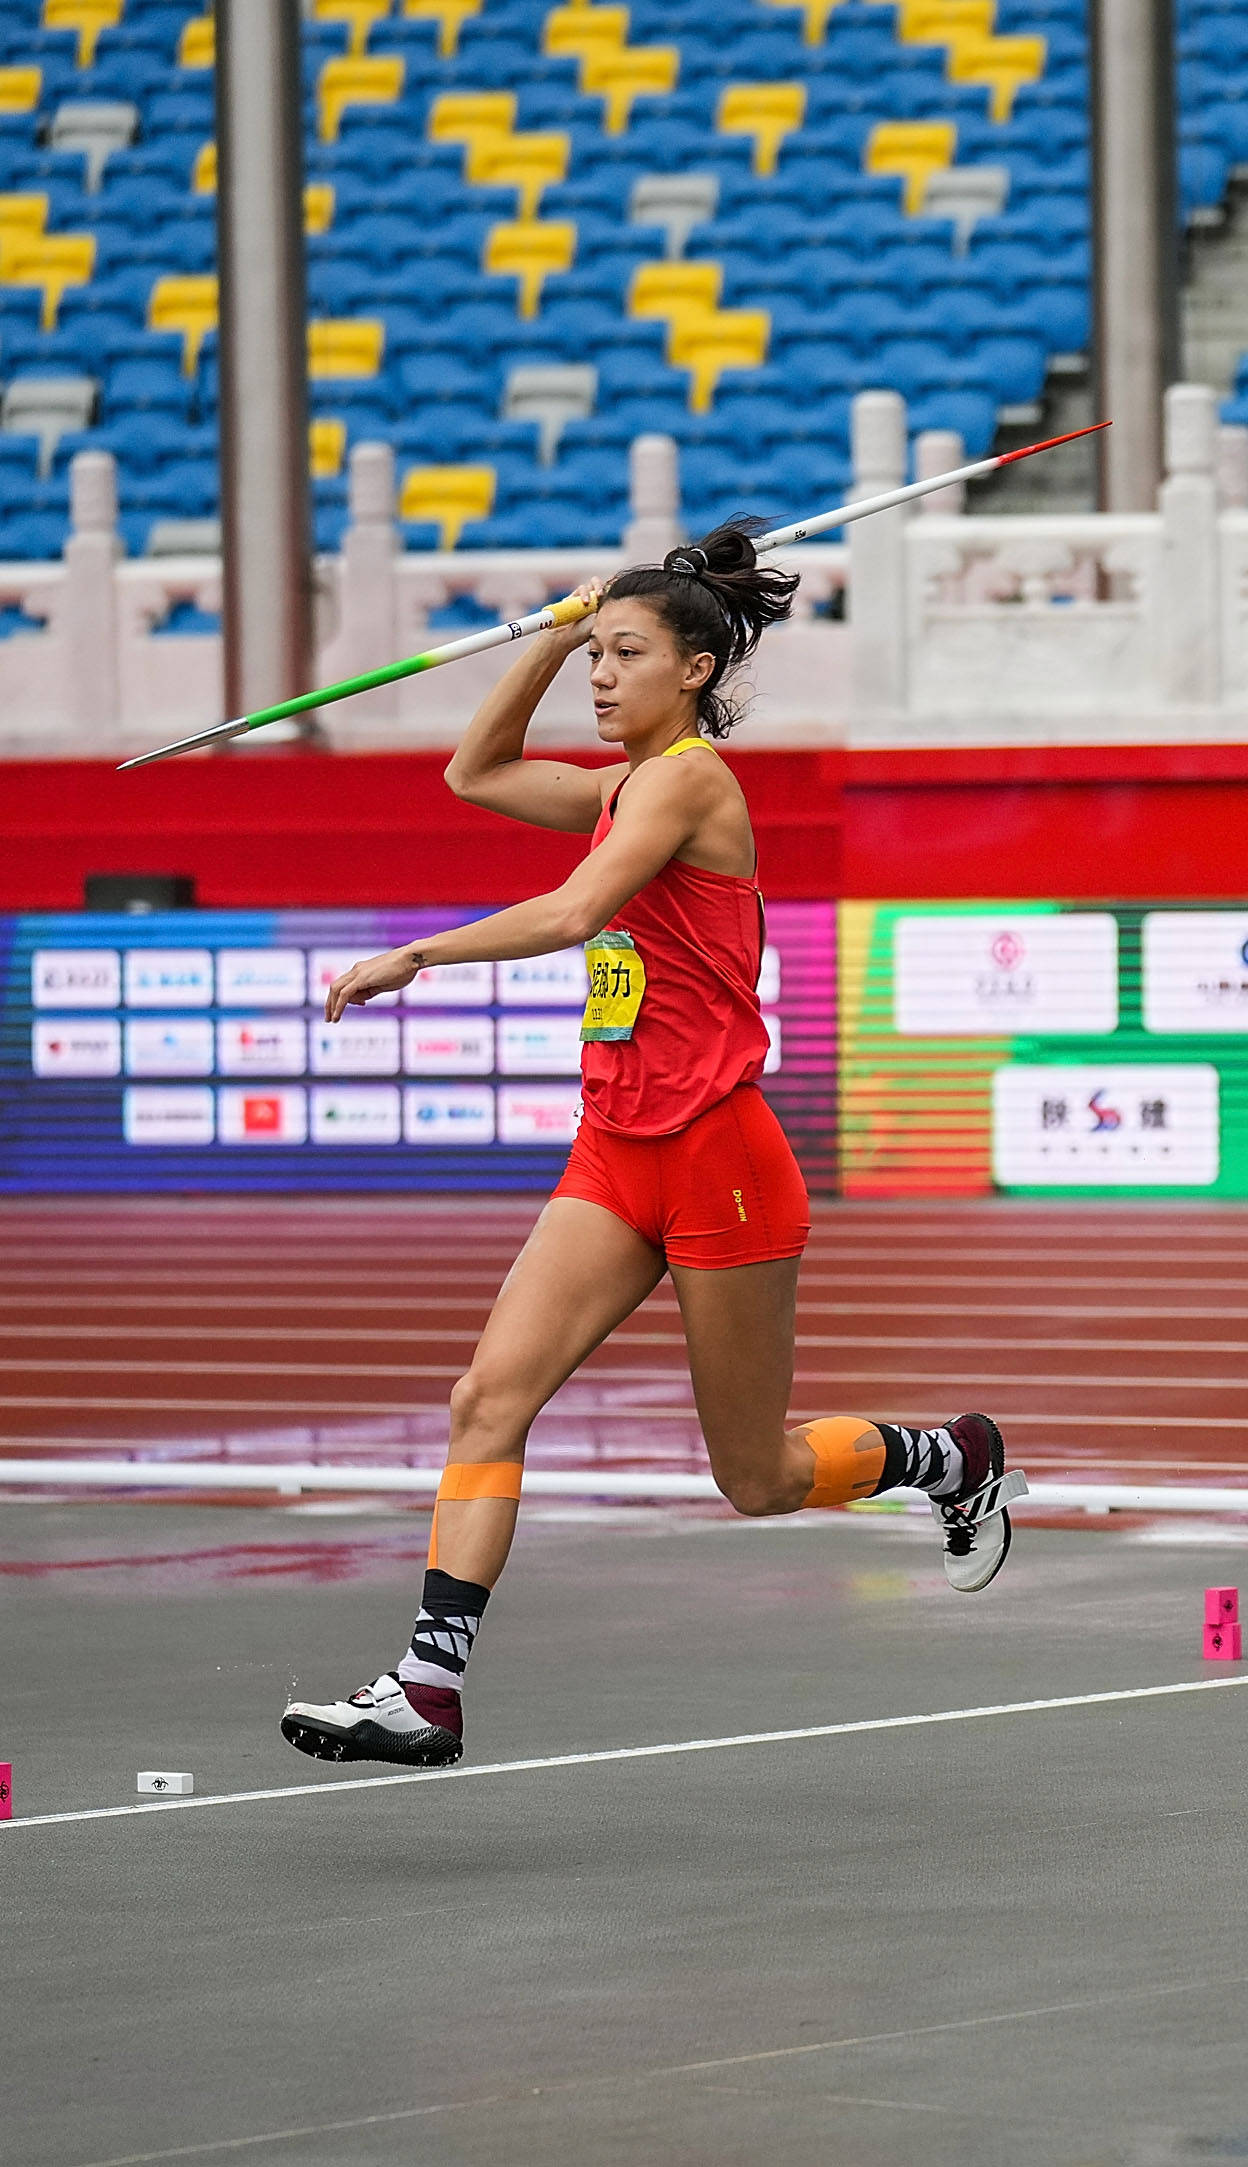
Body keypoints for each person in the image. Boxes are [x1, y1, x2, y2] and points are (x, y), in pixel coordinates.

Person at [281, 520, 1021, 1770]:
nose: (604, 676)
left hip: (717, 1155)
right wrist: (557, 632)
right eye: (595, 660)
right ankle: (426, 1687)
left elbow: (576, 909)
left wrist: (420, 951)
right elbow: (476, 770)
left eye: (626, 653)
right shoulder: (616, 785)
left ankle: (956, 1457)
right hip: (616, 1145)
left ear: (694, 671)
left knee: (760, 1477)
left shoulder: (688, 782)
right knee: (486, 1399)